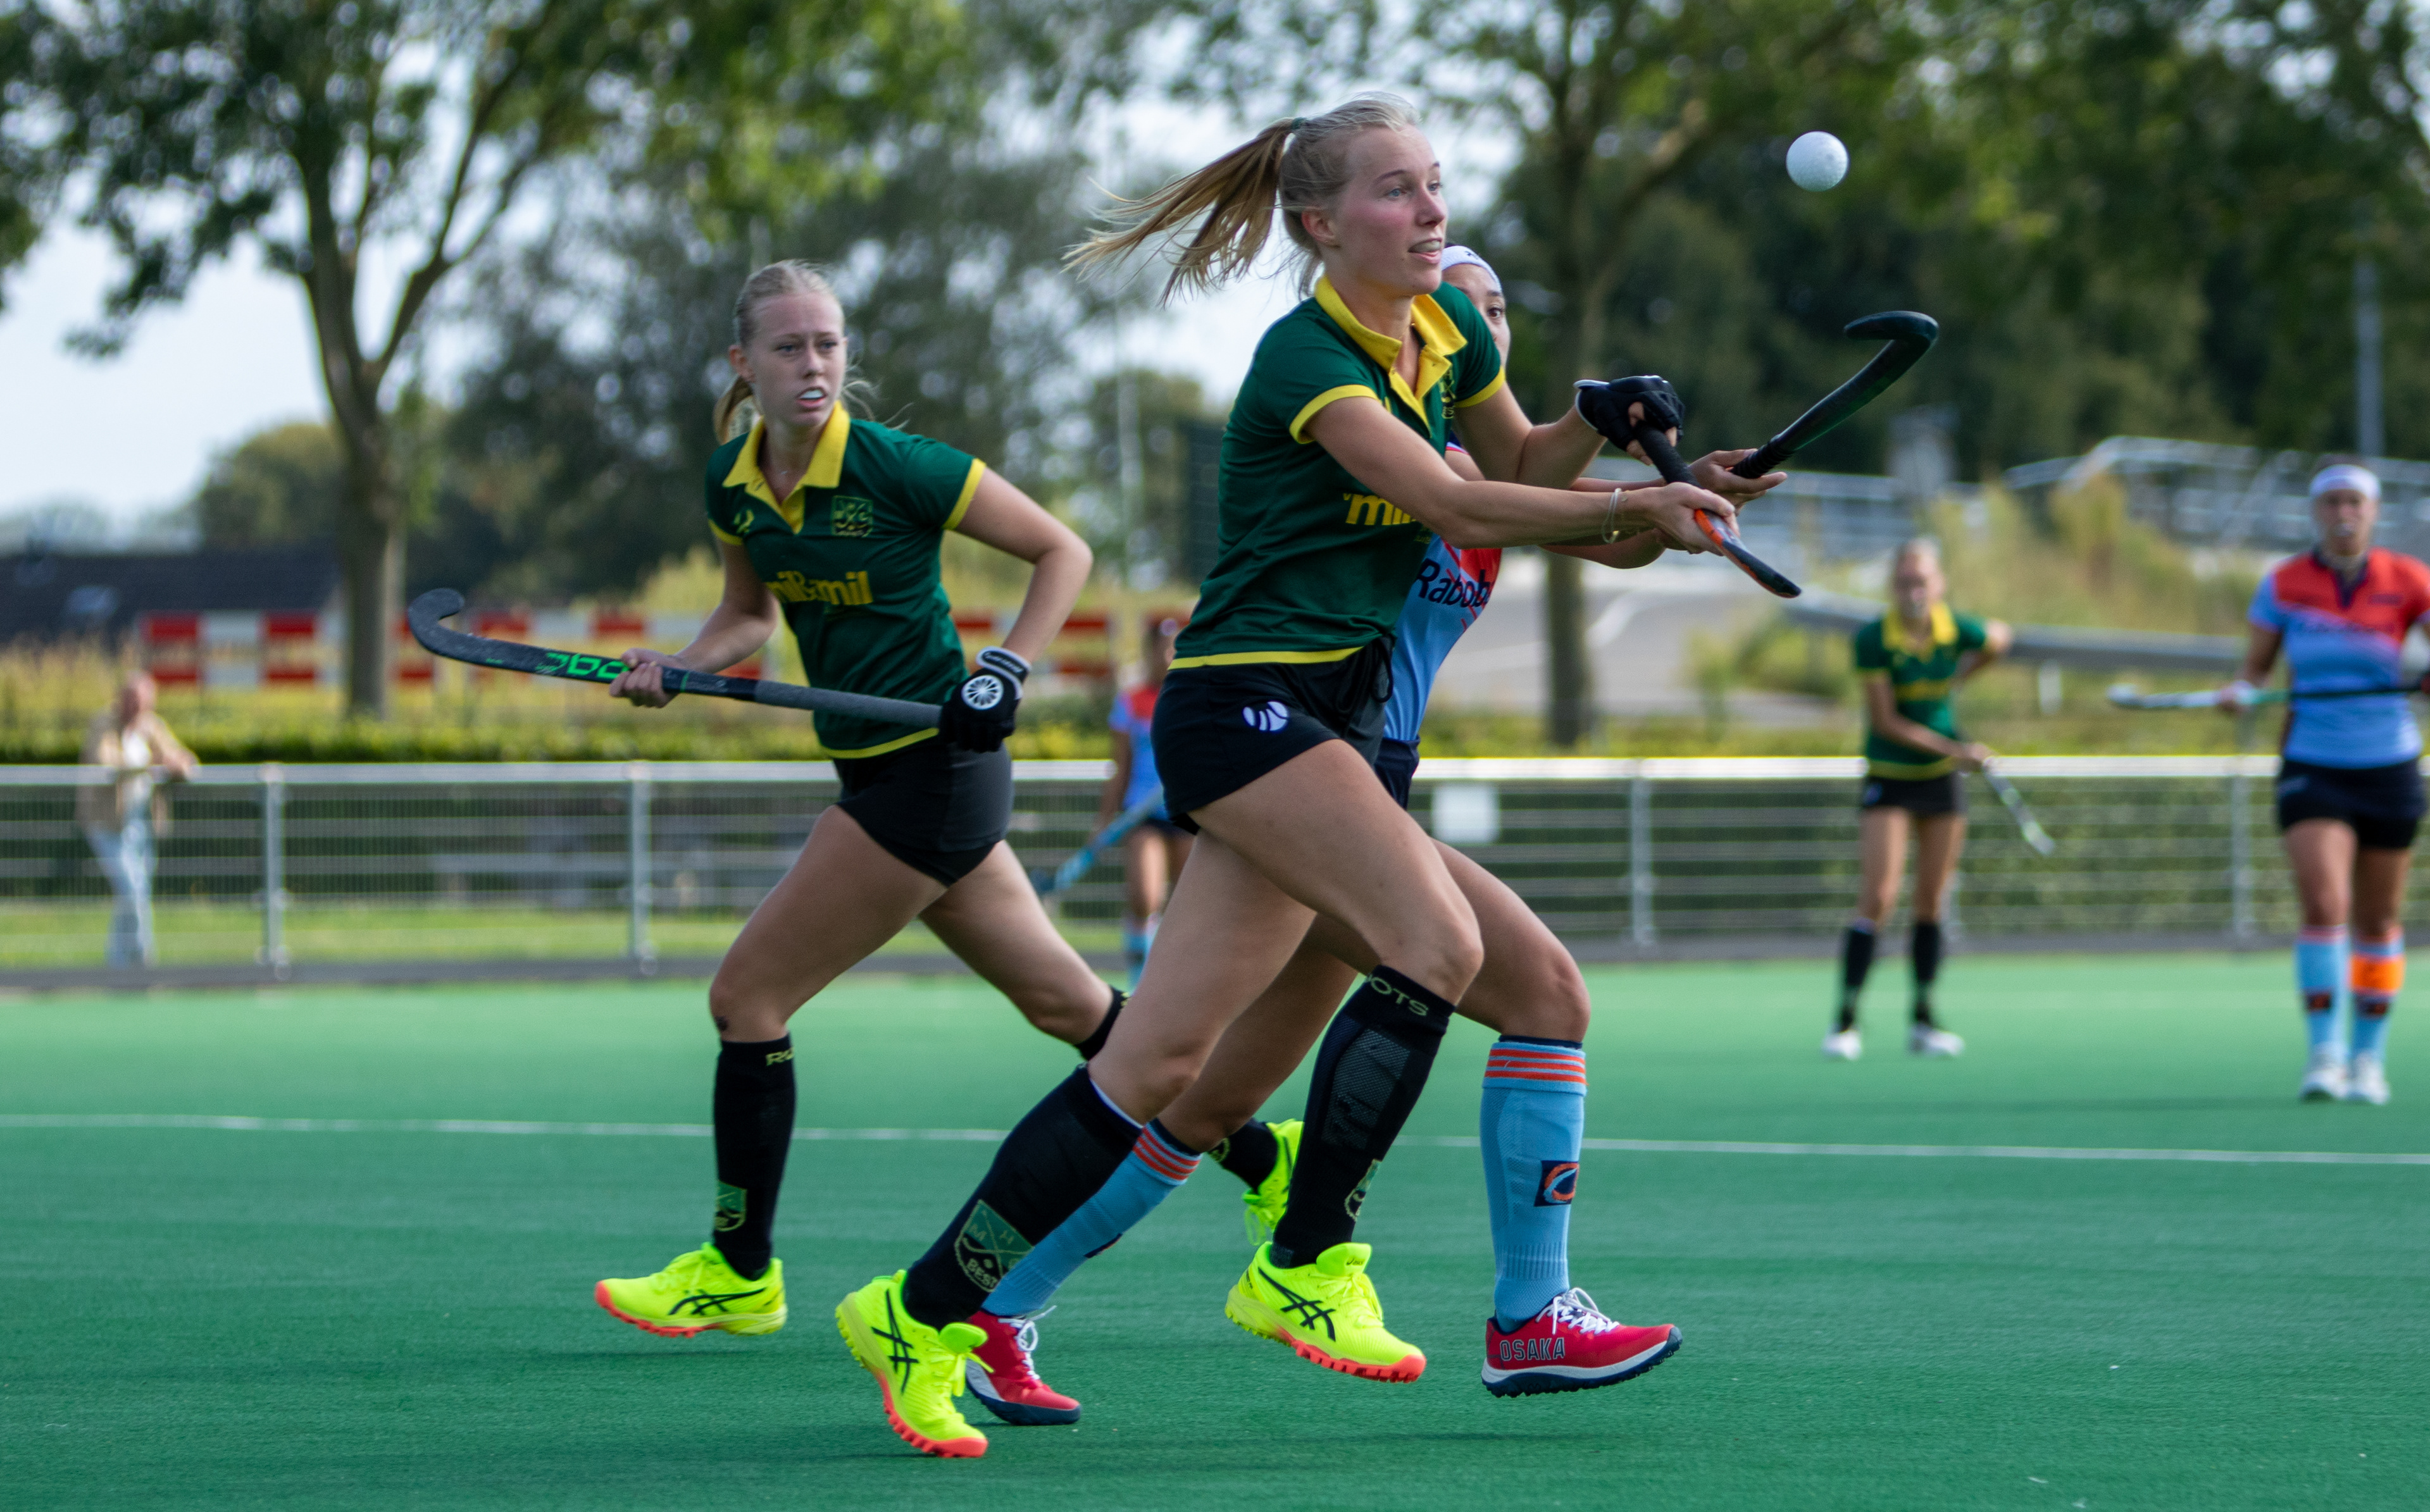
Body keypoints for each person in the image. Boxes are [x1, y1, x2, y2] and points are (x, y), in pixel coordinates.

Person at [832, 92, 1742, 1458]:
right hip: (1246, 710)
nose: (1431, 210)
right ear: (1320, 225)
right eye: (1396, 190)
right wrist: (1630, 505)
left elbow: (1514, 467)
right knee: (1433, 942)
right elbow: (1451, 500)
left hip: (1326, 741)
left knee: (1173, 1066)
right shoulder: (1306, 357)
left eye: (1435, 183)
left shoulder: (1447, 330)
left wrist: (1630, 458)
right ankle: (1312, 1258)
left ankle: (930, 1309)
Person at [587, 259, 1122, 1342]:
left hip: (937, 768)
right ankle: (1262, 1156)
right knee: (1072, 1009)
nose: (814, 365)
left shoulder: (897, 466)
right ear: (744, 365)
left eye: (828, 344)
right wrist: (680, 667)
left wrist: (1005, 668)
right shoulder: (733, 483)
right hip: (872, 771)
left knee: (747, 998)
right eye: (789, 347)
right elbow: (750, 615)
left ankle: (740, 1271)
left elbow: (1062, 551)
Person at [2225, 459, 2430, 1105]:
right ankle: (2325, 1053)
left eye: (2355, 502)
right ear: (2316, 511)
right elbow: (2256, 671)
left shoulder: (2410, 579)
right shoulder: (2284, 583)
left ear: (2373, 511)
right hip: (2313, 762)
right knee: (2324, 904)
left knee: (2378, 918)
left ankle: (2369, 1058)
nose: (2344, 513)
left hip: (2390, 764)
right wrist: (2240, 693)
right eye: (2332, 502)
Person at [1824, 538, 2012, 1061]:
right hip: (1891, 777)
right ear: (1893, 586)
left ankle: (1924, 1020)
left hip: (1941, 781)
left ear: (1939, 584)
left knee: (1932, 901)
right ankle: (1846, 1019)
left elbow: (2000, 637)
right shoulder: (1873, 640)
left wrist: (1959, 676)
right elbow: (1887, 721)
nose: (1914, 592)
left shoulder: (1954, 629)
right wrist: (1959, 751)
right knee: (1880, 897)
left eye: (1922, 582)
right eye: (1905, 582)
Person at [77, 672, 195, 969]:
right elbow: (106, 761)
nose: (136, 707)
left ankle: (117, 966)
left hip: (141, 823)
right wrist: (148, 764)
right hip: (107, 824)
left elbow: (178, 755)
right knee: (132, 891)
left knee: (132, 896)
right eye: (131, 700)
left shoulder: (151, 725)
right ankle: (144, 963)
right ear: (121, 698)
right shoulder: (104, 723)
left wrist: (180, 764)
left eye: (142, 702)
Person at [1100, 614, 1191, 979]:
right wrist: (1104, 821)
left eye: (1175, 649)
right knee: (1145, 897)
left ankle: (1179, 980)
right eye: (1162, 649)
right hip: (1143, 815)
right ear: (1149, 651)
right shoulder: (1131, 701)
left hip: (1189, 812)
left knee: (1188, 906)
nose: (1169, 656)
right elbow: (1120, 768)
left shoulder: (1194, 697)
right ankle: (1139, 982)